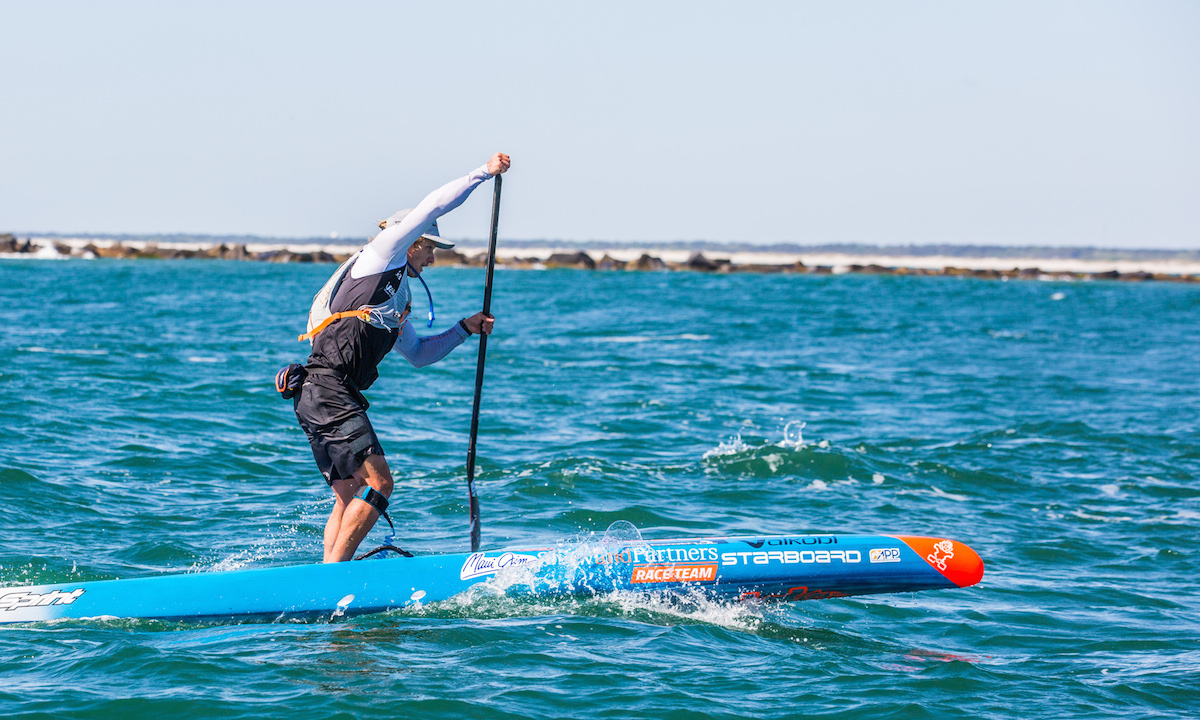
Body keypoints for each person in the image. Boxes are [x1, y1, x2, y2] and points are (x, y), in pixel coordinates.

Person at [294, 152, 511, 562]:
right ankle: (334, 576)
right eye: (430, 249)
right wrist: (484, 173)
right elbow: (433, 204)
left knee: (349, 491)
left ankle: (325, 573)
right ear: (411, 242)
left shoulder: (396, 296)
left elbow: (418, 353)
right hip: (327, 389)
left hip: (324, 393)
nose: (433, 258)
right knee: (380, 483)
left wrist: (464, 328)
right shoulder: (381, 256)